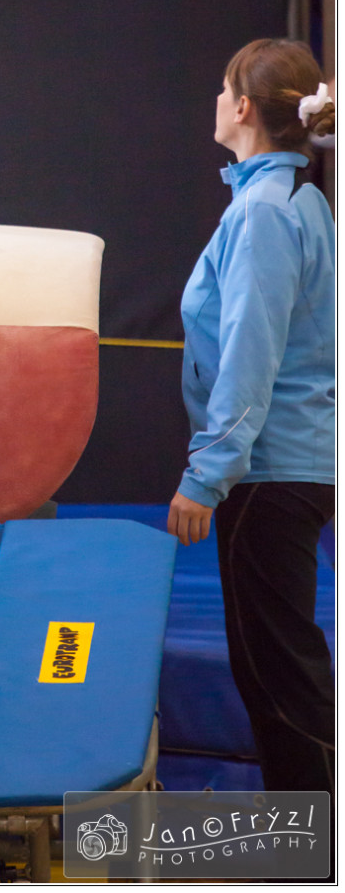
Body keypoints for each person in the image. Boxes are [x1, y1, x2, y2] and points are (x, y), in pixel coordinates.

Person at [167, 38, 335, 793]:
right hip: (289, 467)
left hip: (270, 474)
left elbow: (249, 352)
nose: (213, 101)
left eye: (221, 88)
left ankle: (316, 840)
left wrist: (207, 475)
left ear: (241, 107)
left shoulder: (266, 212)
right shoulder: (287, 198)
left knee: (281, 681)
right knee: (280, 670)